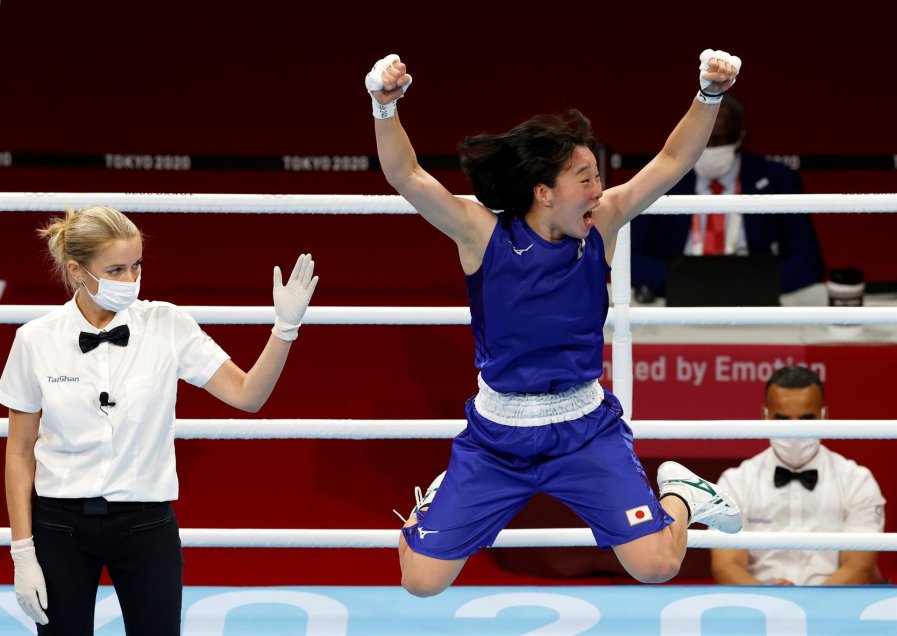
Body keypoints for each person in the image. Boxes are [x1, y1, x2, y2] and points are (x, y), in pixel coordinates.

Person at [365, 49, 744, 598]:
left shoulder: (603, 224)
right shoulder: (480, 233)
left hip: (583, 431)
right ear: (543, 192)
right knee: (420, 582)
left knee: (657, 564)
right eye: (585, 178)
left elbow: (670, 160)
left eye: (598, 177)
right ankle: (435, 506)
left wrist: (709, 95)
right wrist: (384, 106)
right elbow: (406, 175)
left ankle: (681, 493)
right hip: (496, 438)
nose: (598, 190)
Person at [1, 206, 318, 634]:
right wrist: (22, 551)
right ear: (77, 270)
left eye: (136, 266)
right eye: (115, 270)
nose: (131, 280)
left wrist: (284, 329)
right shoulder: (35, 339)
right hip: (60, 527)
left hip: (145, 524)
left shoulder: (168, 324)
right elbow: (19, 452)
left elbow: (248, 395)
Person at [630, 95, 825, 302]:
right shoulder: (661, 179)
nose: (710, 148)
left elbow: (809, 261)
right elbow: (629, 259)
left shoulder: (778, 179)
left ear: (741, 138)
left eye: (720, 140)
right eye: (703, 140)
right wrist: (688, 282)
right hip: (677, 301)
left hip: (754, 303)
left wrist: (744, 283)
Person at [711, 366, 886, 586]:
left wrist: (806, 605)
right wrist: (770, 601)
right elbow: (726, 566)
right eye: (782, 420)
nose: (794, 431)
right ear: (764, 417)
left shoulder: (857, 481)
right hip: (757, 607)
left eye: (806, 419)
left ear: (825, 416)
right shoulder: (735, 482)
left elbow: (860, 566)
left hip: (835, 610)